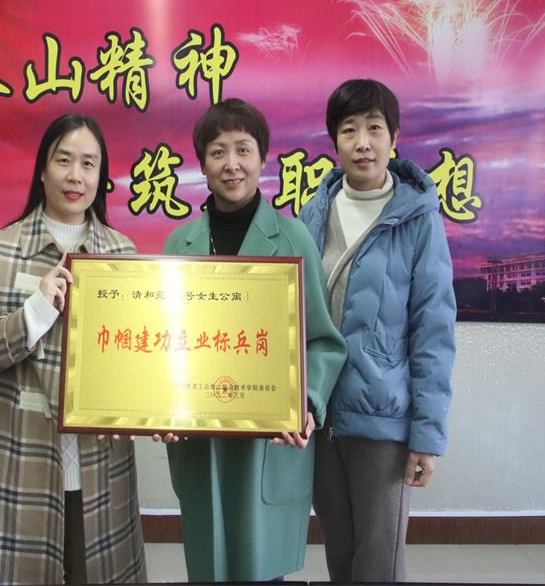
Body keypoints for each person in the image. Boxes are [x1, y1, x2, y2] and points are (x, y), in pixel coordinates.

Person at [159, 98, 347, 582]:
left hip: (268, 437)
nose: (232, 164)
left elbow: (323, 341)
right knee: (209, 564)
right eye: (218, 152)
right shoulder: (179, 244)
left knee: (261, 567)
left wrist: (306, 401)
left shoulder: (294, 239)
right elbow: (165, 344)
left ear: (263, 158)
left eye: (243, 149)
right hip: (199, 436)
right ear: (202, 164)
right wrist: (158, 406)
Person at [0, 114, 147, 585]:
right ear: (42, 170)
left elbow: (140, 362)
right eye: (63, 160)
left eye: (88, 164)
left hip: (101, 466)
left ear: (101, 177)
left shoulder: (123, 255)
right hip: (20, 462)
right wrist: (33, 314)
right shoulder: (0, 250)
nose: (75, 176)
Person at [301, 78, 457, 582]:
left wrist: (426, 435)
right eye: (349, 130)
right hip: (319, 416)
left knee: (378, 563)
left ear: (394, 136)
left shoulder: (418, 219)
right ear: (335, 140)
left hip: (383, 421)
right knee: (340, 553)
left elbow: (433, 332)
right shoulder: (312, 214)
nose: (363, 142)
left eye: (374, 128)